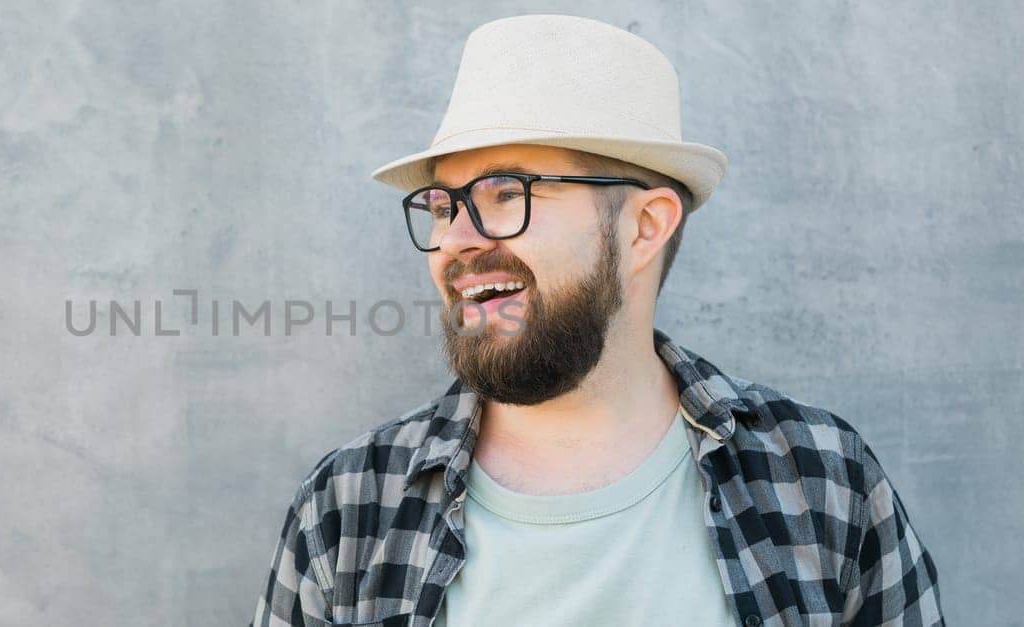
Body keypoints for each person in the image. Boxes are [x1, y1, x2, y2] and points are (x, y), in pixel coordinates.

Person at [250, 14, 942, 627]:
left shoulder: (821, 483)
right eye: (439, 205)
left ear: (645, 226)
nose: (455, 241)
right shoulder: (348, 510)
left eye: (505, 192)